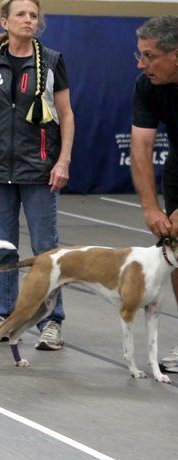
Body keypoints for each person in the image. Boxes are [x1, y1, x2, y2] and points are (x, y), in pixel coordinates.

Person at [0, 0, 74, 350]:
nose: (28, 20)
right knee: (4, 247)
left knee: (45, 249)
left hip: (39, 170)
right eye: (21, 15)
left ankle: (51, 321)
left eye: (33, 16)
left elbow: (67, 115)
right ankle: (5, 315)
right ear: (5, 22)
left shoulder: (52, 61)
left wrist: (63, 161)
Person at [130, 15, 178, 373]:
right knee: (175, 247)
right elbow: (142, 145)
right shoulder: (146, 85)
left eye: (149, 56)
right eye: (139, 54)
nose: (141, 63)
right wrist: (150, 207)